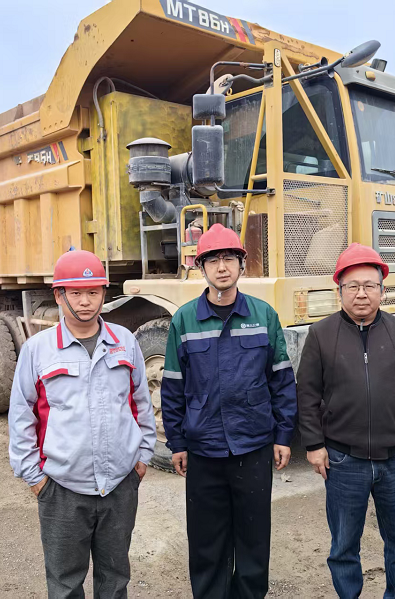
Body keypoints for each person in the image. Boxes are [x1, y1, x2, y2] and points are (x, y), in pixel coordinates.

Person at [8, 249, 156, 599]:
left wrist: (142, 457)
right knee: (65, 585)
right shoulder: (38, 350)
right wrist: (36, 478)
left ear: (104, 293)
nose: (86, 301)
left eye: (93, 292)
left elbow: (141, 401)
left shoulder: (125, 342)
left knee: (115, 580)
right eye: (75, 293)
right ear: (59, 296)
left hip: (119, 485)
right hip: (61, 490)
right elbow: (21, 416)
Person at [160, 223, 297, 599]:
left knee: (253, 540)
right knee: (207, 543)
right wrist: (177, 443)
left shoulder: (264, 316)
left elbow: (281, 380)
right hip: (204, 450)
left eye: (229, 258)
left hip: (252, 446)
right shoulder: (184, 320)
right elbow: (172, 388)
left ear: (242, 264)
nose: (222, 267)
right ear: (200, 267)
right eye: (213, 260)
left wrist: (284, 435)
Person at [297, 243, 395, 599]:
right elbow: (307, 395)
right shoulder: (321, 335)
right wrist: (314, 444)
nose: (361, 294)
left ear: (382, 290)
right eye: (353, 286)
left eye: (369, 286)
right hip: (344, 461)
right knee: (344, 547)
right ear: (339, 291)